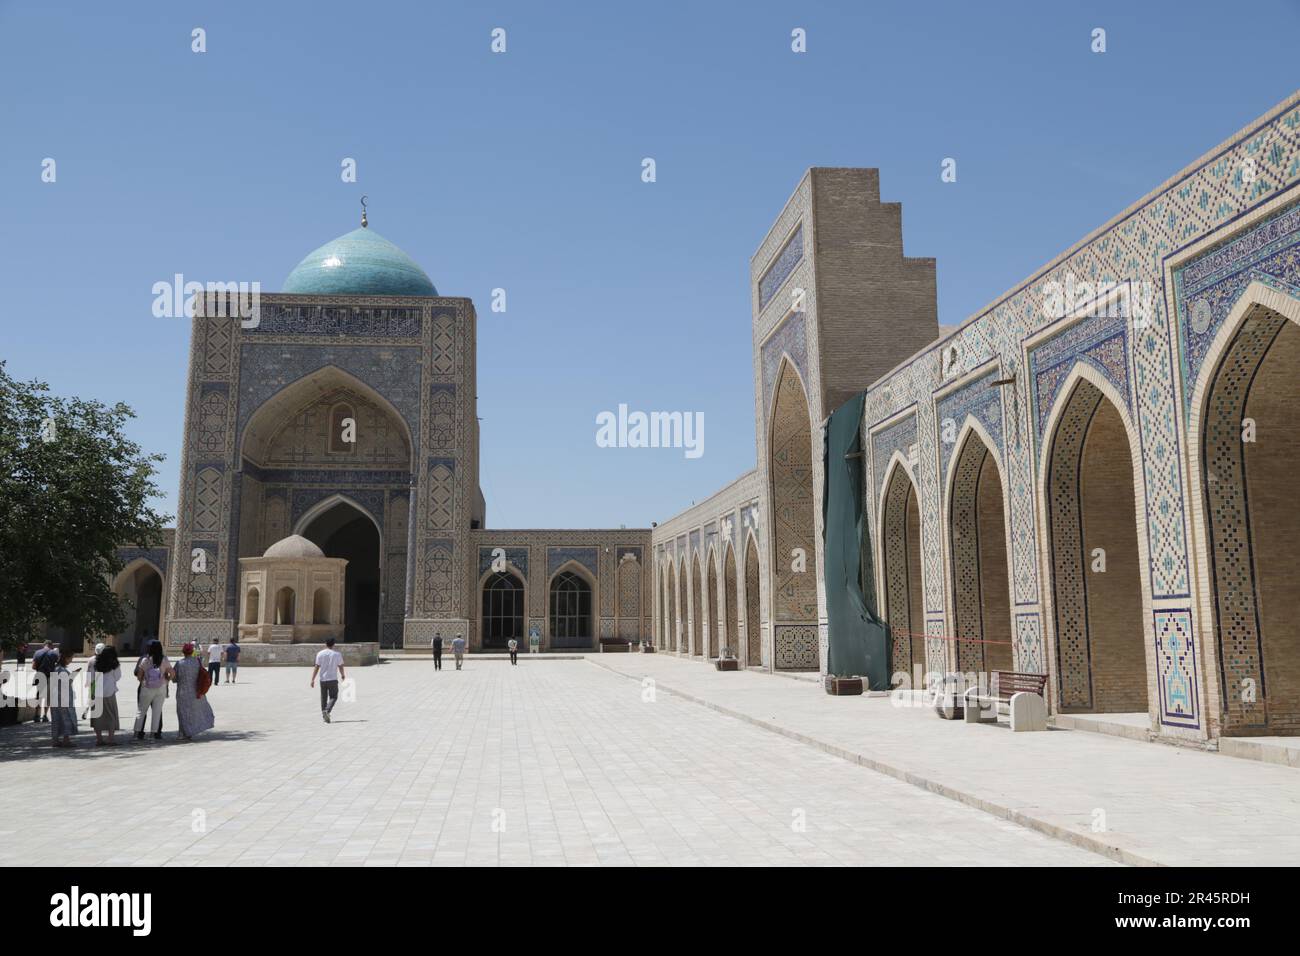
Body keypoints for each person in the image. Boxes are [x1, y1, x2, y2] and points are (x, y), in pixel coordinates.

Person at [173, 643, 215, 741]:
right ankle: (190, 732)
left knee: (182, 712)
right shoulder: (197, 661)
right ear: (192, 652)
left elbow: (174, 679)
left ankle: (182, 733)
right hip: (195, 691)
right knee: (191, 712)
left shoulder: (179, 663)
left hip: (182, 692)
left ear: (183, 652)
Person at [133, 639, 173, 740]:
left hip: (147, 688)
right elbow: (172, 673)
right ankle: (153, 736)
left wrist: (144, 682)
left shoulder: (145, 660)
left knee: (141, 711)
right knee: (157, 711)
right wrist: (166, 681)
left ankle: (136, 735)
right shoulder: (164, 659)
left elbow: (139, 675)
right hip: (161, 688)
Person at [88, 644, 122, 746]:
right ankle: (111, 738)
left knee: (97, 716)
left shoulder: (94, 662)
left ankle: (99, 739)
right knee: (111, 715)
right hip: (109, 692)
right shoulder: (114, 664)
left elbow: (91, 678)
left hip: (97, 692)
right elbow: (118, 677)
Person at [310, 637, 345, 723]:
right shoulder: (337, 654)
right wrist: (343, 675)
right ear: (334, 644)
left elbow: (317, 667)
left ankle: (324, 715)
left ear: (325, 643)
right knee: (334, 696)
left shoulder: (320, 654)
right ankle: (327, 710)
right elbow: (340, 666)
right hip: (332, 679)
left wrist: (312, 679)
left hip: (323, 679)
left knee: (323, 698)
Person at [49, 650, 78, 748]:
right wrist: (73, 675)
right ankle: (66, 740)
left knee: (56, 719)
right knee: (66, 718)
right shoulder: (62, 670)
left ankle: (55, 740)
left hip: (55, 697)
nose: (71, 660)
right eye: (71, 658)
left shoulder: (55, 668)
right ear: (66, 658)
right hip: (63, 698)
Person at [31, 639, 58, 722]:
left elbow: (33, 667)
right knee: (48, 697)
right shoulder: (54, 653)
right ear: (51, 645)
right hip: (50, 677)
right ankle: (45, 716)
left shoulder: (37, 652)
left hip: (40, 676)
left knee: (39, 696)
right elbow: (58, 665)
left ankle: (37, 716)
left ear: (44, 645)